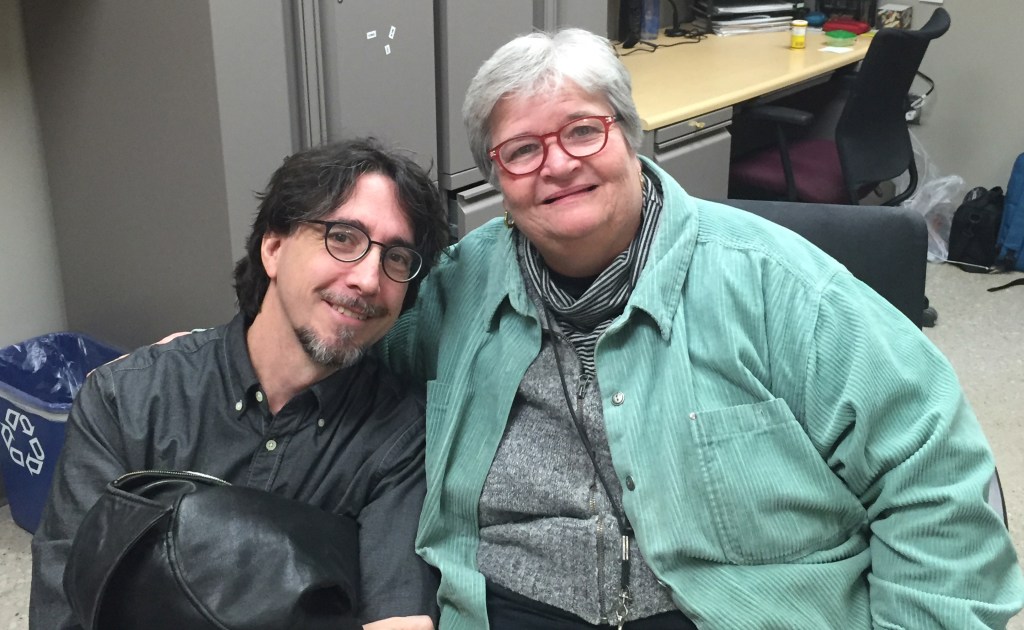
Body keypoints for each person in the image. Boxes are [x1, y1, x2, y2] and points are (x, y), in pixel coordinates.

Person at [376, 28, 1024, 629]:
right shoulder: (459, 291)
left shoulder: (782, 287)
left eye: (583, 131)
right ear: (497, 180)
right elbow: (346, 372)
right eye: (522, 150)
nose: (558, 164)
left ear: (629, 135)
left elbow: (936, 481)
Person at [30, 138, 451, 630]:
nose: (369, 279)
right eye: (342, 237)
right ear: (273, 248)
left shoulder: (400, 437)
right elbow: (65, 608)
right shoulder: (128, 400)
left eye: (396, 258)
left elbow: (398, 620)